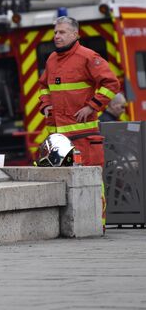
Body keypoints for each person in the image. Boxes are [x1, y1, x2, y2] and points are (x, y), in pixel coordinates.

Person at [38, 15, 120, 231]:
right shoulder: (51, 60)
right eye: (55, 32)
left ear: (75, 34)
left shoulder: (88, 57)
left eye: (62, 32)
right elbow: (43, 87)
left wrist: (92, 106)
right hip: (58, 138)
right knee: (63, 185)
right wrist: (45, 105)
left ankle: (98, 224)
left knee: (93, 182)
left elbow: (111, 83)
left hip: (84, 137)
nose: (57, 36)